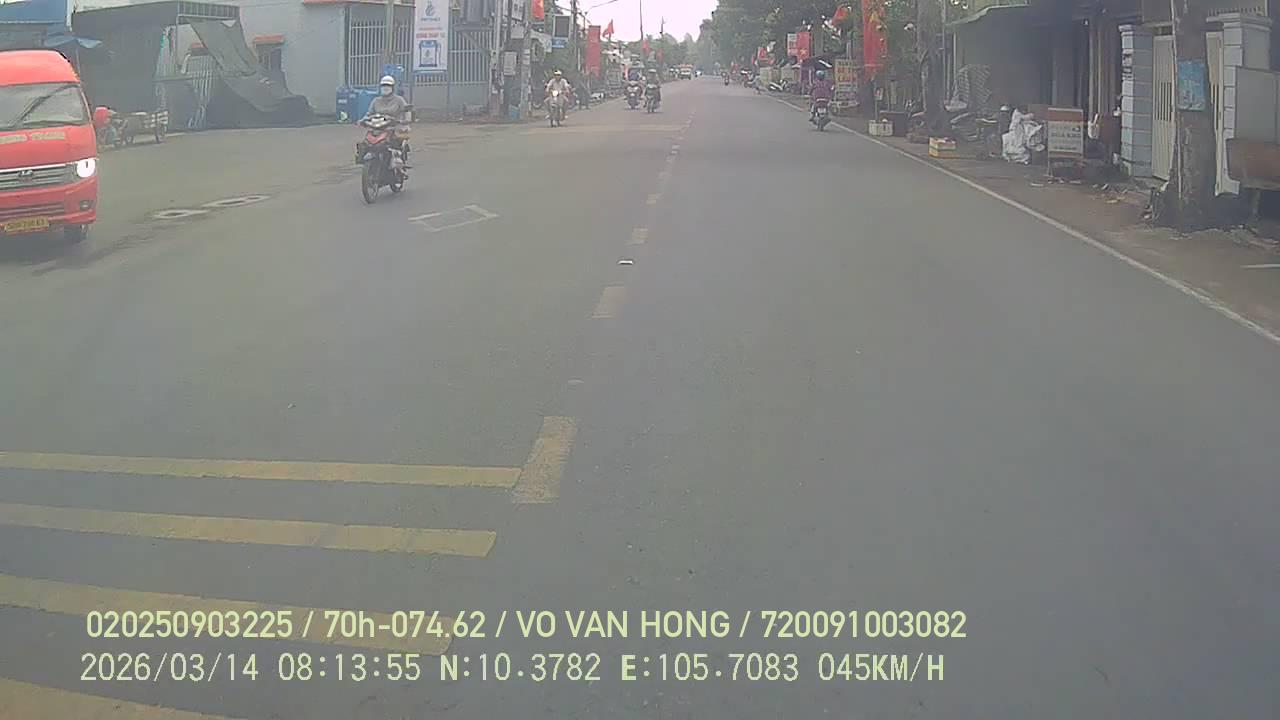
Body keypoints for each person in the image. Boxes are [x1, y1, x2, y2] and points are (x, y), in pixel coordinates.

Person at [365, 74, 411, 164]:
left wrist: (405, 121)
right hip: (377, 127)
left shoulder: (399, 100)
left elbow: (407, 111)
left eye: (388, 86)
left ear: (393, 87)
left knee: (398, 140)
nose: (385, 88)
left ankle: (397, 157)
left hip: (393, 127)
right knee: (366, 141)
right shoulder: (376, 101)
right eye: (383, 85)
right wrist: (363, 120)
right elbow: (369, 114)